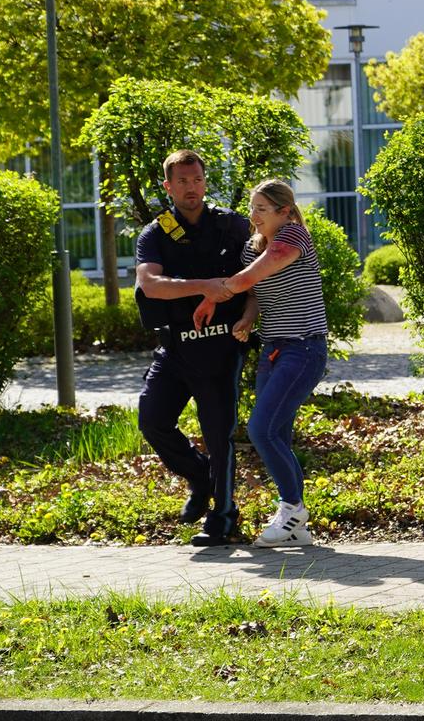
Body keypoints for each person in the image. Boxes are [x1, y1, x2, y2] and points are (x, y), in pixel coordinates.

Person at [193, 179, 330, 548]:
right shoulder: (253, 248)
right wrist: (249, 317)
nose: (253, 216)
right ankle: (296, 528)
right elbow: (255, 292)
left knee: (261, 430)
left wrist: (211, 295)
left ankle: (292, 509)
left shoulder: (294, 237)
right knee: (277, 433)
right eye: (252, 208)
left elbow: (252, 276)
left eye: (261, 209)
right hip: (273, 350)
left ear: (285, 212)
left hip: (304, 349)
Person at [133, 149, 252, 547]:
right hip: (175, 348)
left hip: (220, 346)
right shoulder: (156, 232)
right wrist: (204, 287)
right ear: (168, 186)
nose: (191, 188)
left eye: (197, 179)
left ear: (205, 181)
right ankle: (200, 478)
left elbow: (258, 273)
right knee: (152, 420)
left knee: (219, 431)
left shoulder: (231, 225)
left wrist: (235, 304)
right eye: (182, 181)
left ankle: (223, 514)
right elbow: (149, 284)